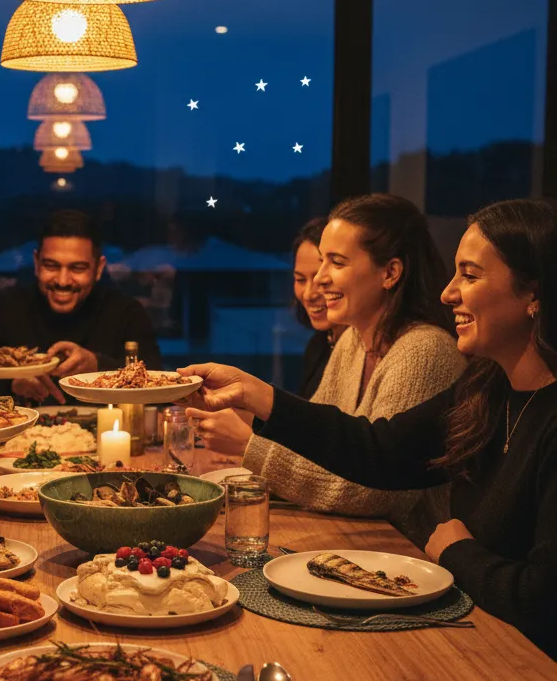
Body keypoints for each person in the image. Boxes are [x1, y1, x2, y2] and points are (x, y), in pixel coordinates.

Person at [182, 198, 557, 657]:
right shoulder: (487, 388)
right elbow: (379, 449)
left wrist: (458, 553)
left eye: (470, 275)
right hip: (476, 634)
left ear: (534, 292)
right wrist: (256, 394)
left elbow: (543, 600)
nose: (449, 293)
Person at [193, 194, 466, 528]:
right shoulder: (352, 340)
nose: (320, 279)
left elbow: (373, 492)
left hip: (407, 549)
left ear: (391, 272)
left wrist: (249, 444)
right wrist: (249, 415)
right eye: (322, 261)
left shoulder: (424, 350)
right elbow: (316, 449)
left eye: (336, 263)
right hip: (354, 536)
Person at [0, 209, 163, 404]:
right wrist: (10, 383)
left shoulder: (126, 313)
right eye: (51, 266)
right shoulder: (2, 309)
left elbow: (159, 391)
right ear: (36, 263)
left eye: (77, 268)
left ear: (99, 268)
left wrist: (98, 365)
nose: (62, 281)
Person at [291, 216, 346, 399]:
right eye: (300, 280)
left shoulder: (372, 353)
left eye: (322, 279)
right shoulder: (318, 344)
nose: (309, 294)